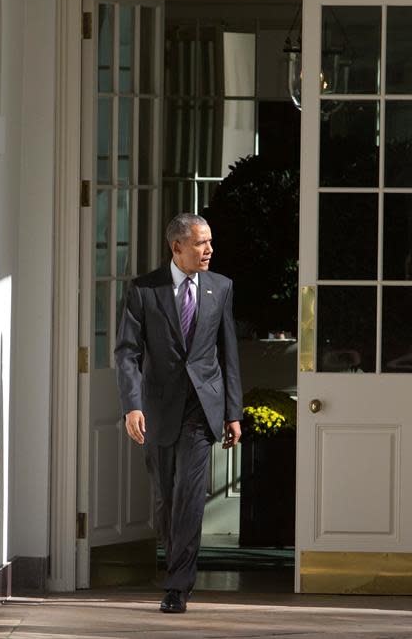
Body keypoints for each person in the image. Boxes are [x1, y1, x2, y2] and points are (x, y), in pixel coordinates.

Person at [115, 212, 242, 613]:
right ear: (177, 247)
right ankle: (174, 564)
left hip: (201, 408)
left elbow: (228, 353)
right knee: (166, 498)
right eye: (200, 243)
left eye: (210, 242)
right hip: (157, 409)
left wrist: (233, 412)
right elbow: (127, 354)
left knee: (190, 495)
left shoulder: (220, 287)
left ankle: (178, 585)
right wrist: (132, 406)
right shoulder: (143, 291)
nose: (209, 250)